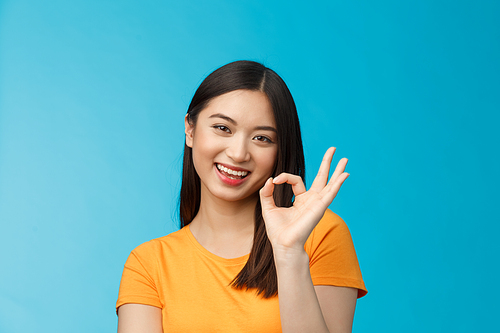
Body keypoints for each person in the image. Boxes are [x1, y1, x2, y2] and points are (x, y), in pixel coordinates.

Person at [116, 60, 367, 333]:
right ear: (190, 129)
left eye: (262, 138)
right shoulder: (148, 264)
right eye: (223, 128)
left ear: (279, 152)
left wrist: (290, 254)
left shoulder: (320, 235)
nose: (238, 153)